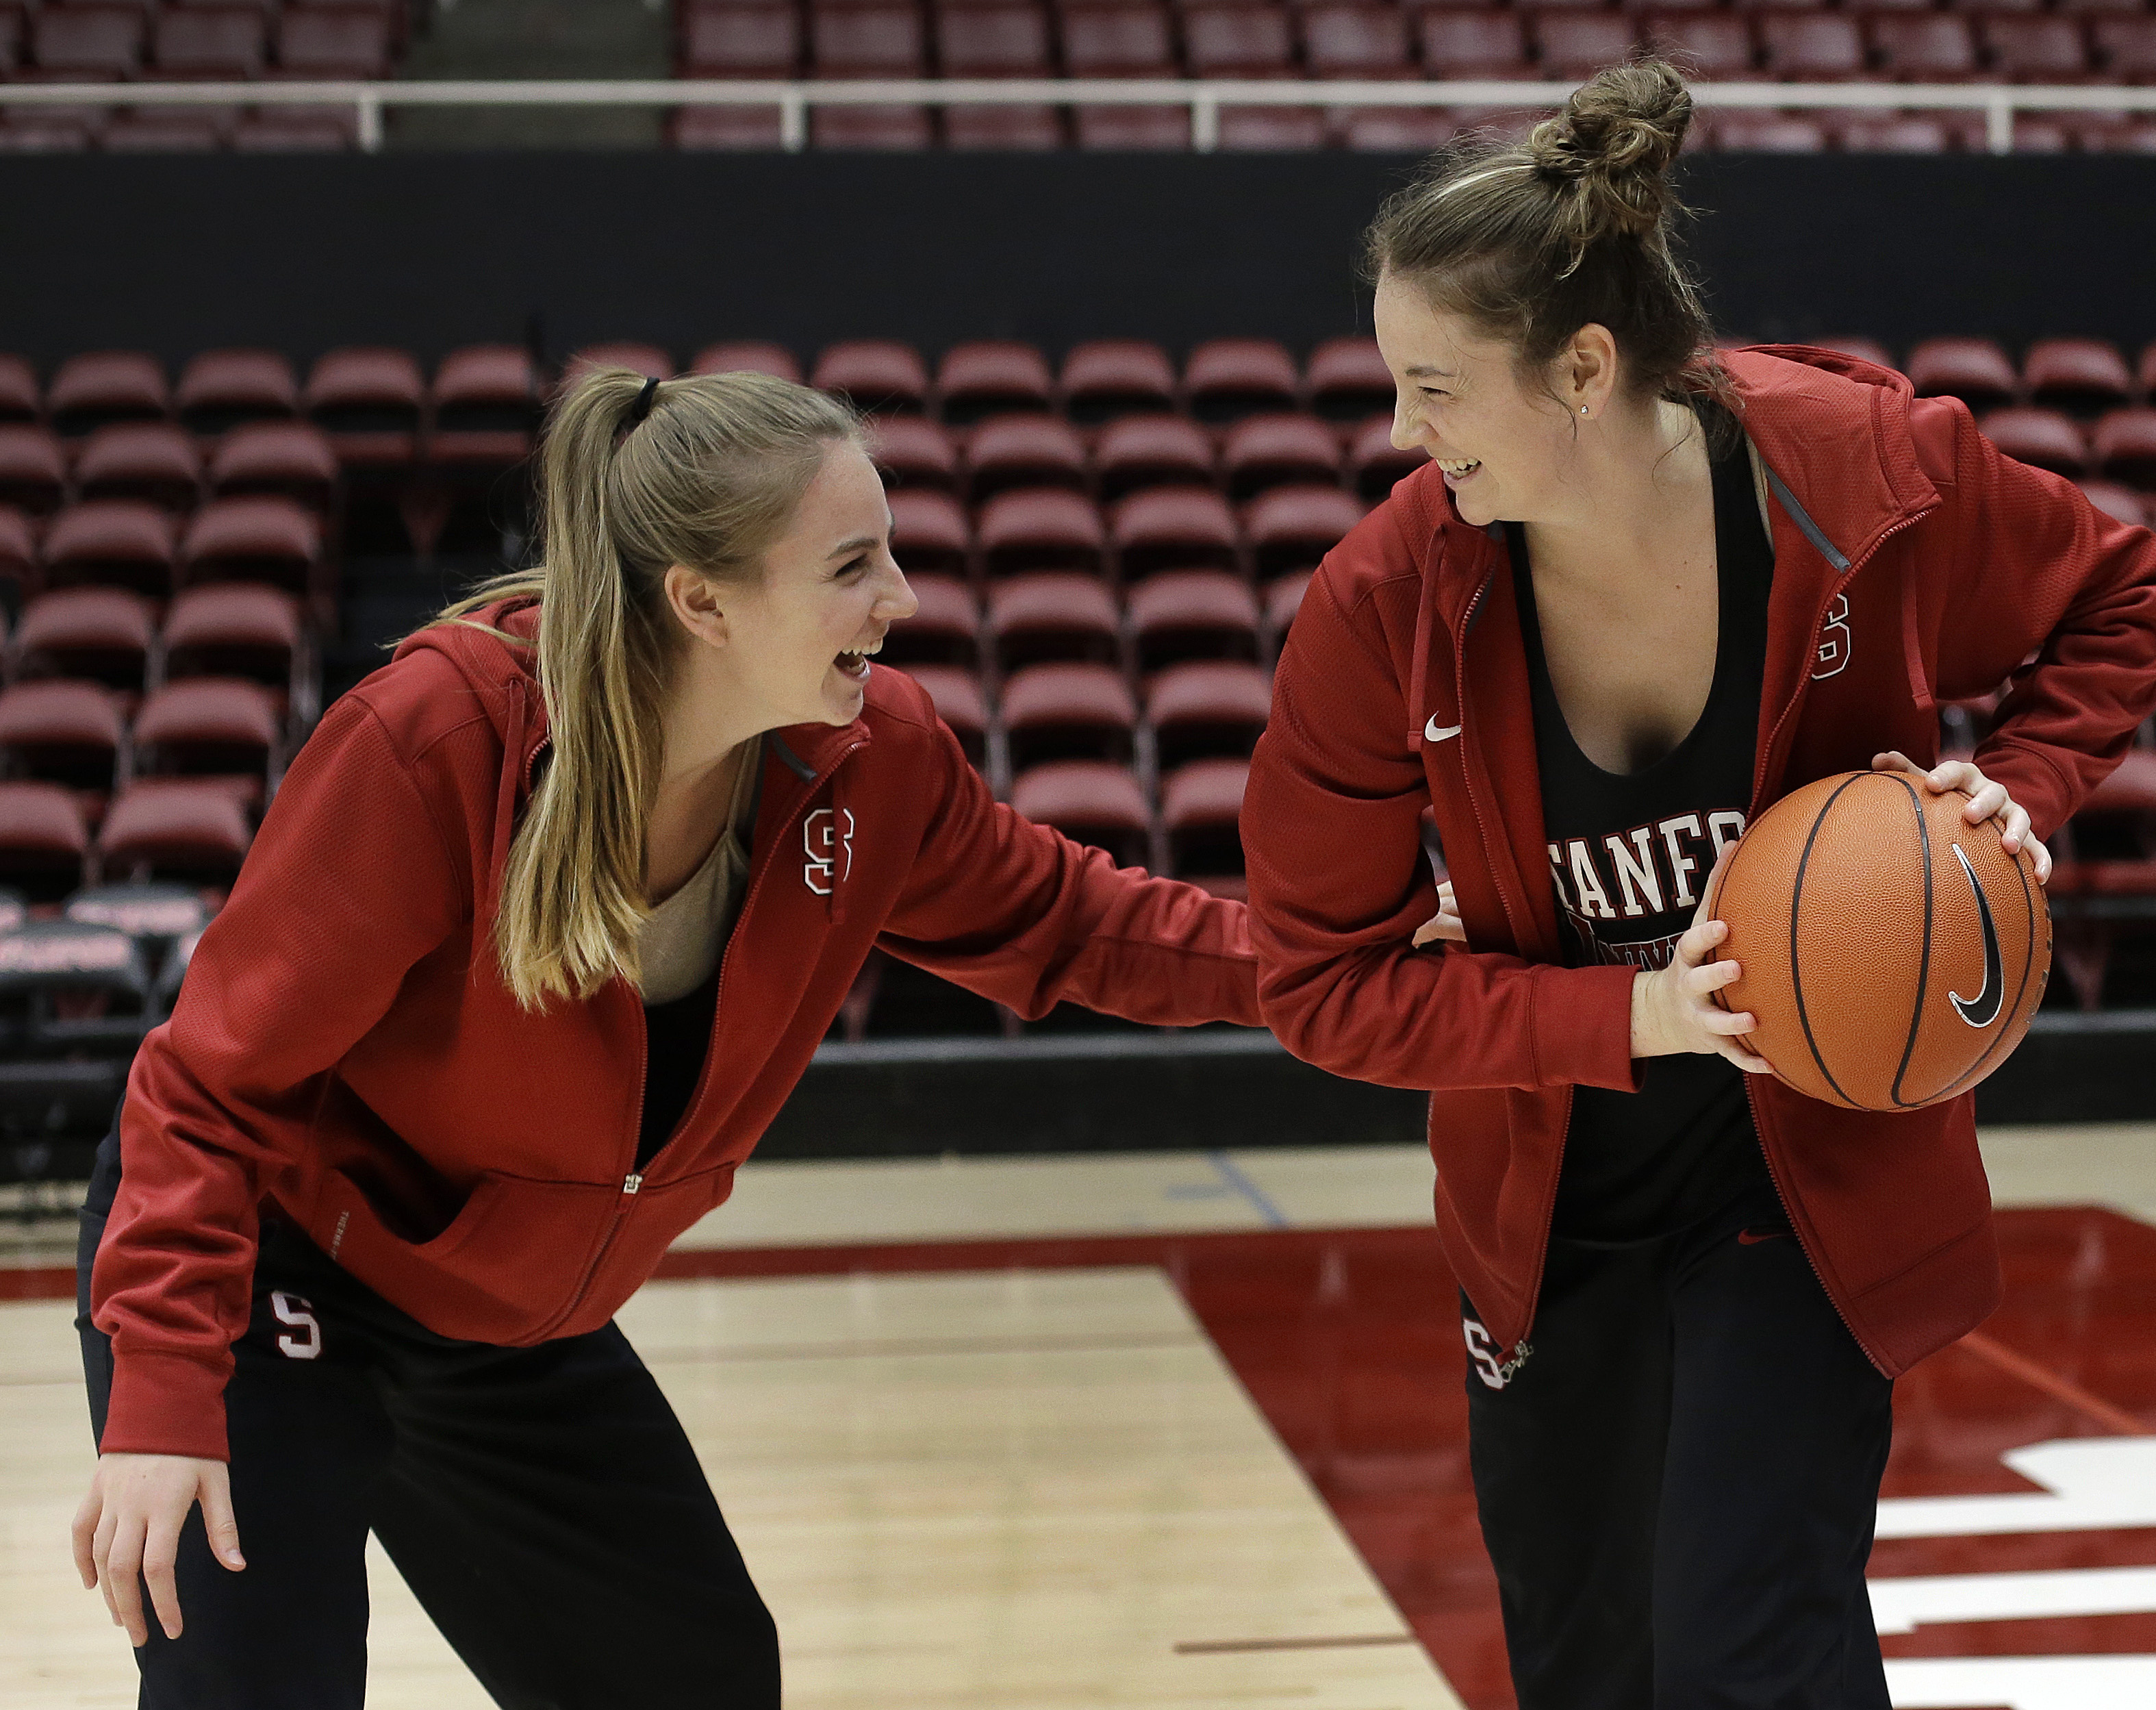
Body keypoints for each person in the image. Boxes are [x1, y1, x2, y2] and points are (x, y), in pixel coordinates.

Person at [73, 366, 1266, 1708]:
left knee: (691, 1677)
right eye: (853, 563)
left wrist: (1328, 968)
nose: (903, 599)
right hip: (273, 1262)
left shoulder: (876, 765)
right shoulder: (438, 740)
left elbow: (1071, 922)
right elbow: (206, 1088)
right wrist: (164, 1392)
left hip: (501, 1310)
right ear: (702, 601)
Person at [1240, 60, 2156, 1710]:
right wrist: (1639, 1008)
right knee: (1593, 1669)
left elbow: (2122, 599)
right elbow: (1319, 982)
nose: (1398, 432)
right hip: (1553, 1210)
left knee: (1748, 1648)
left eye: (1434, 386)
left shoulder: (1862, 478)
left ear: (1584, 368)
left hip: (1802, 1174)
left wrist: (2015, 795)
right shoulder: (1381, 600)